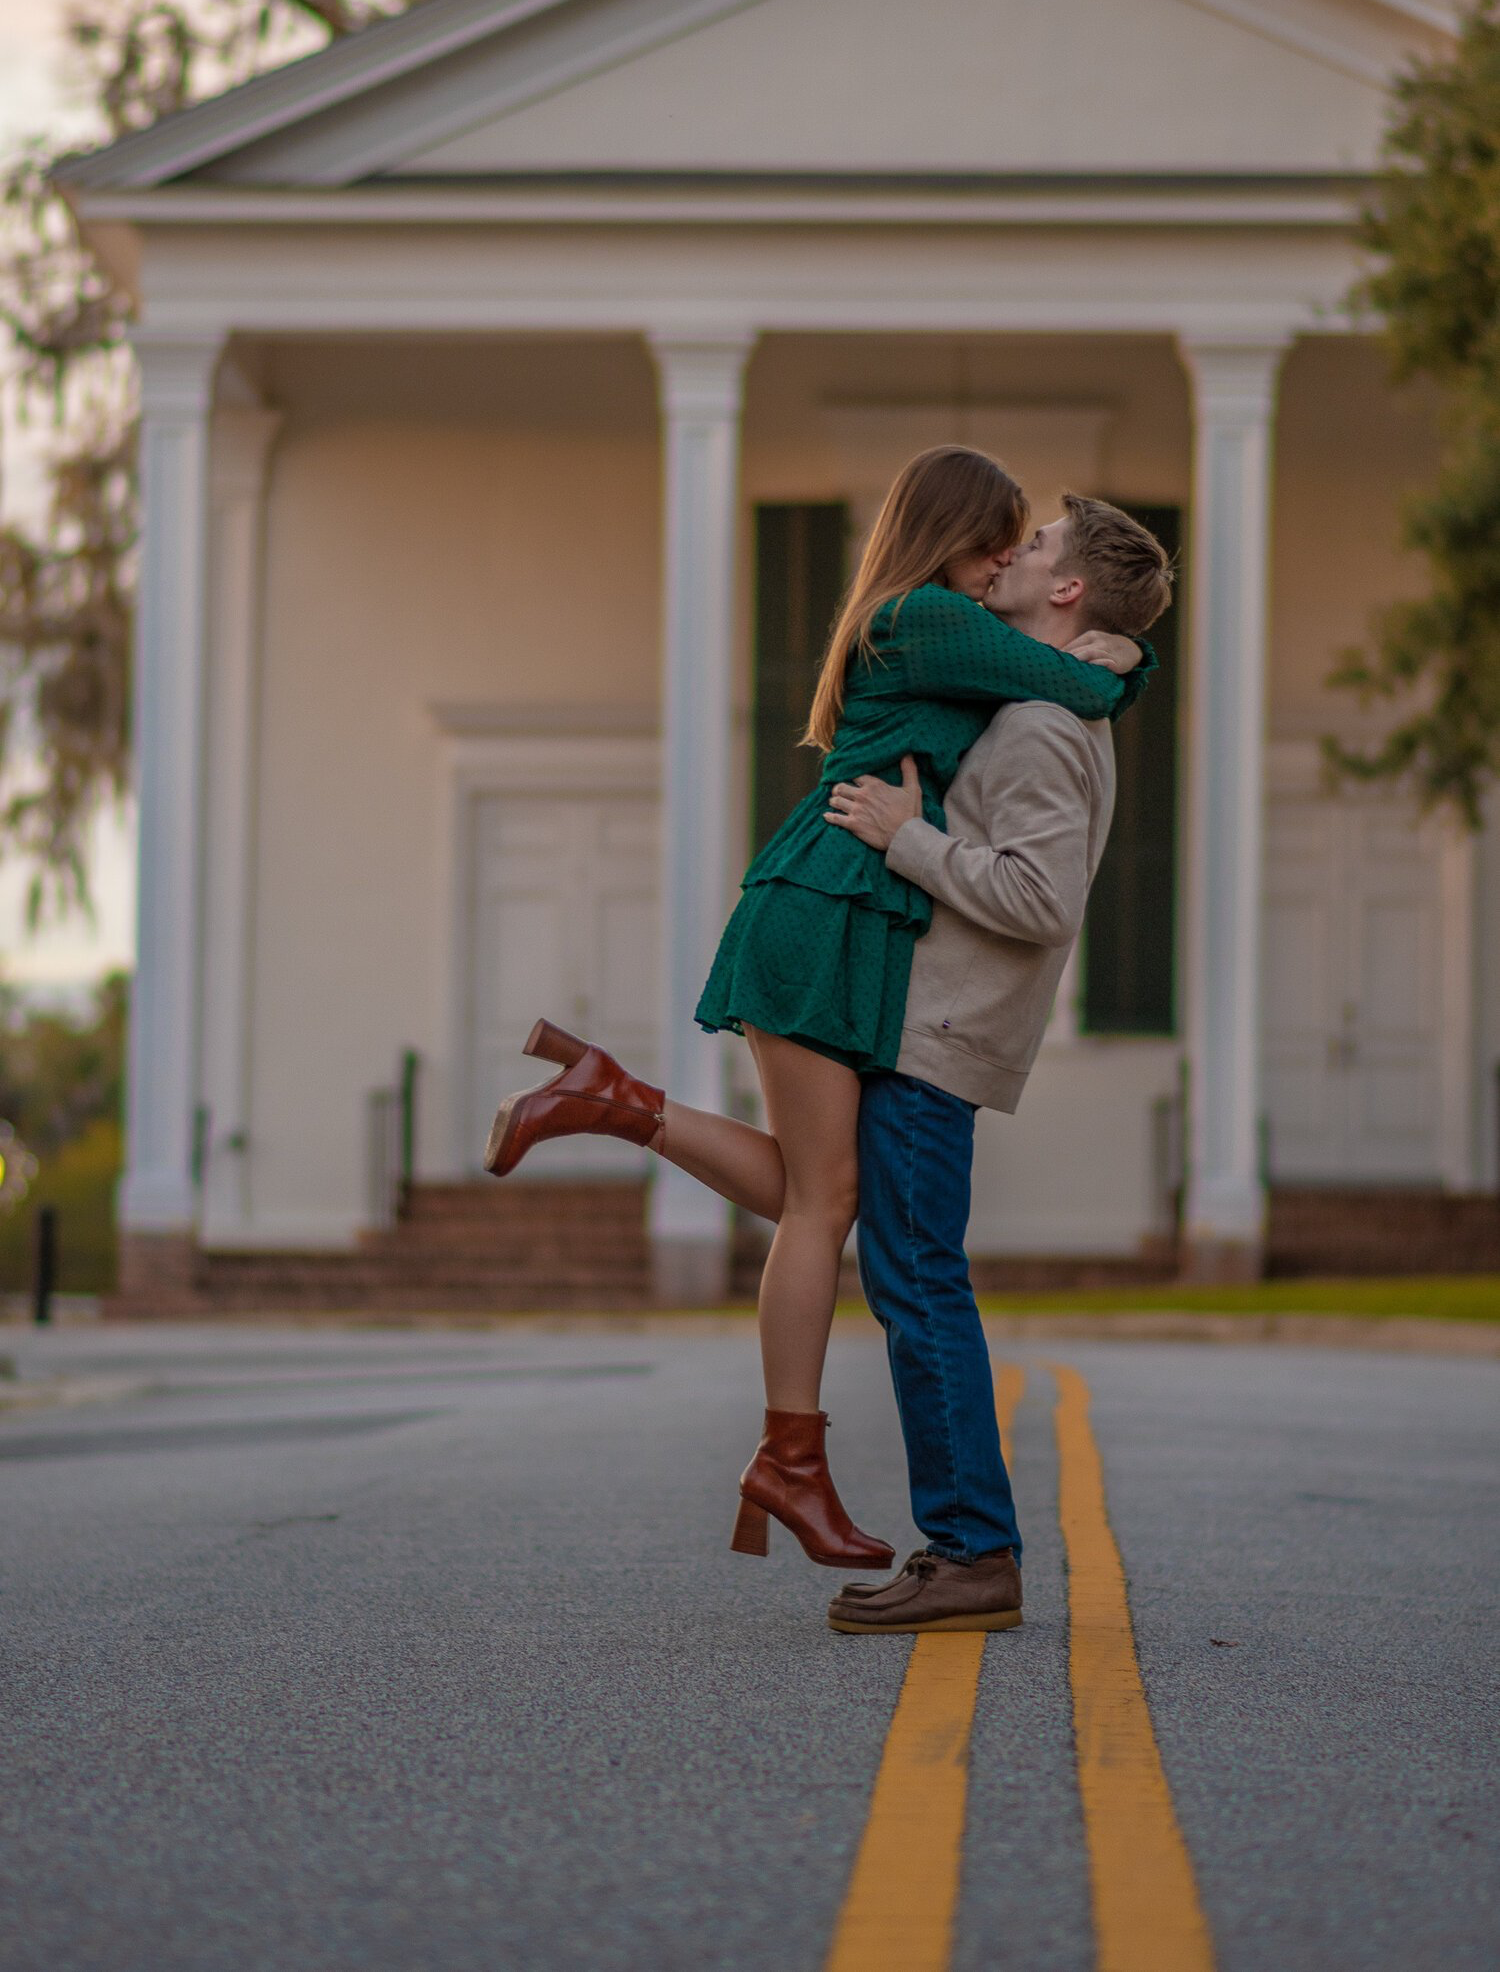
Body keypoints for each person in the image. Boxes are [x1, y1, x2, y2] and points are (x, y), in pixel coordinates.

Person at [484, 449, 1152, 1574]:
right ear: (951, 537)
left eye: (1024, 546)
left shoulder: (949, 631)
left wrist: (1110, 646)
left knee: (820, 1190)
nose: (1007, 560)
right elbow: (1082, 688)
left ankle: (612, 1101)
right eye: (999, 538)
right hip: (824, 903)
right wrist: (1125, 660)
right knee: (825, 1203)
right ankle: (788, 1456)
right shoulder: (926, 617)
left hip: (853, 913)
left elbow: (1050, 716)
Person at [821, 492, 1175, 1634]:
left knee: (918, 1280)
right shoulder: (1038, 703)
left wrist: (902, 835)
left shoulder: (1040, 726)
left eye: (1037, 546)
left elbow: (1040, 897)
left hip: (940, 1039)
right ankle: (967, 1544)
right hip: (927, 1031)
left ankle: (973, 1551)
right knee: (906, 1270)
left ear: (1066, 589)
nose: (1014, 552)